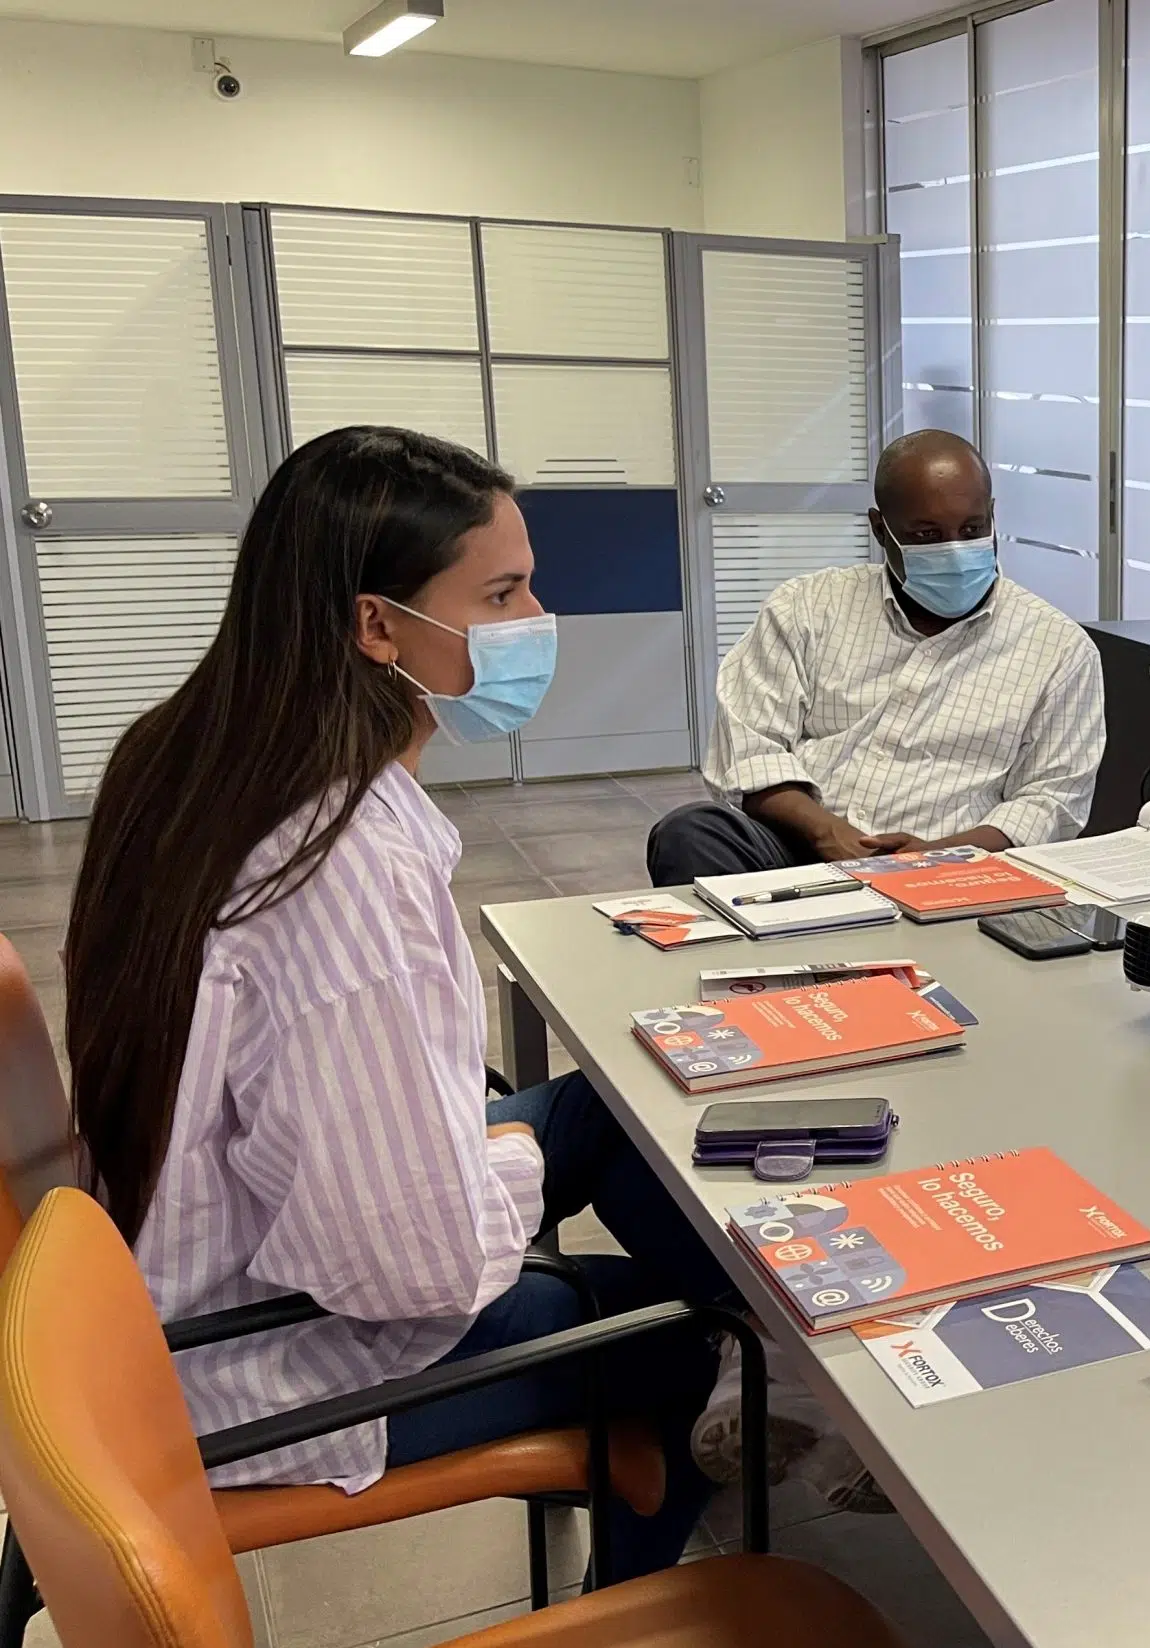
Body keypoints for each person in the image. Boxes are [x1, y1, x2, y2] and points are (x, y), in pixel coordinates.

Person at [60, 427, 837, 1580]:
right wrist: (500, 1165)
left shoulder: (186, 753)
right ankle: (635, 1616)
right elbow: (400, 1272)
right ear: (376, 627)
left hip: (186, 1265)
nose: (537, 619)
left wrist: (494, 1147)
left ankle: (760, 1362)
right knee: (680, 1330)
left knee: (602, 1111)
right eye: (504, 592)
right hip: (269, 1364)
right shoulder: (336, 861)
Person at [648, 428, 1105, 884]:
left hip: (957, 861)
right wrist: (828, 834)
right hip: (805, 844)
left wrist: (936, 855)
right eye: (926, 534)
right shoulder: (807, 609)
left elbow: (1052, 799)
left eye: (971, 529)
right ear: (880, 529)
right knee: (691, 833)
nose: (954, 550)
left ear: (992, 516)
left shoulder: (1059, 649)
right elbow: (749, 749)